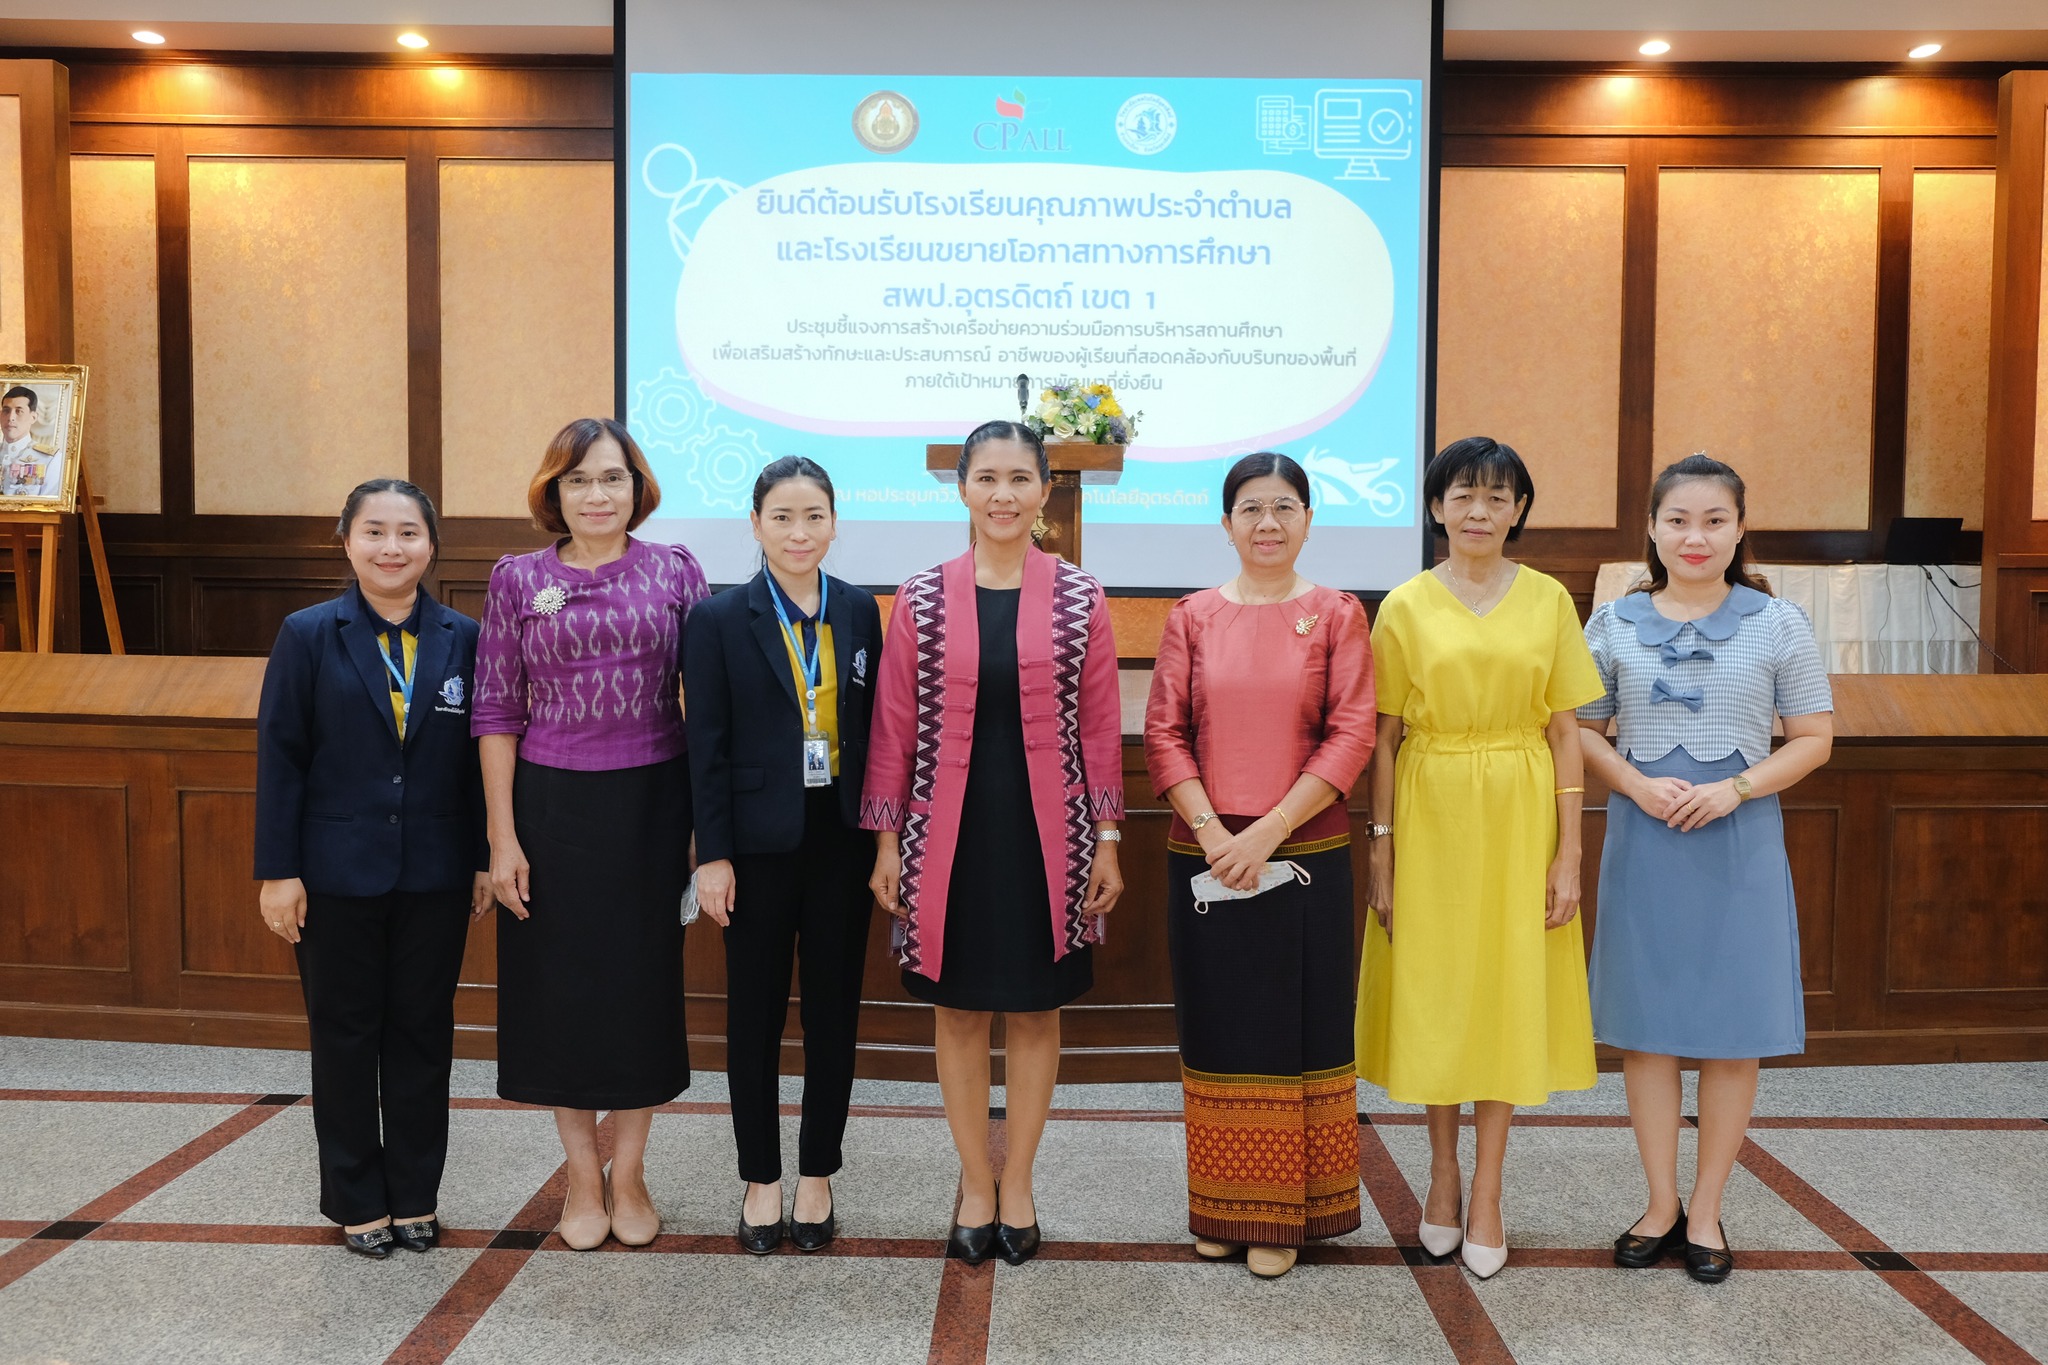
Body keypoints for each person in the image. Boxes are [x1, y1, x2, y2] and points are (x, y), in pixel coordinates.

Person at [862, 420, 1125, 1267]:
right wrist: (886, 842)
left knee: (1037, 1007)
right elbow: (895, 725)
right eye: (987, 478)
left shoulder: (1081, 596)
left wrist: (1111, 839)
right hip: (949, 837)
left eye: (1020, 478)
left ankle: (1021, 1183)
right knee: (960, 1007)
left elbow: (1100, 726)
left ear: (1045, 489)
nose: (1003, 494)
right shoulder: (923, 596)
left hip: (1056, 835)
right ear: (963, 489)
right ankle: (976, 1180)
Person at [1355, 436, 1606, 1280]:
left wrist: (1569, 851)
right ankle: (1442, 1172)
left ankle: (1491, 1187)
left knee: (1504, 990)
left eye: (1498, 498)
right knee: (1439, 989)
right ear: (1434, 506)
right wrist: (1381, 847)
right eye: (1463, 495)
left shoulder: (1548, 601)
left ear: (1520, 511)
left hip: (1520, 808)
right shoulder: (1404, 604)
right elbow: (1384, 738)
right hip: (1430, 804)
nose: (1479, 512)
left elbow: (1567, 731)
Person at [1579, 454, 1833, 1285]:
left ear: (1738, 528)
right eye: (1679, 520)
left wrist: (1736, 788)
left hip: (1741, 841)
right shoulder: (1611, 622)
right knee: (1647, 1034)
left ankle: (1711, 1206)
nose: (1696, 536)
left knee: (1731, 1036)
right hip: (1642, 837)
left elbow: (1813, 736)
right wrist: (1637, 785)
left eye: (1714, 520)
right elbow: (1578, 730)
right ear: (1651, 529)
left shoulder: (1779, 622)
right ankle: (1659, 1204)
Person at [472, 417, 709, 1251]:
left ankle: (634, 1168)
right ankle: (581, 1172)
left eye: (611, 477)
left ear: (636, 486)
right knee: (559, 993)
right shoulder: (516, 579)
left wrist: (703, 830)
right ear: (554, 491)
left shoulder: (676, 572)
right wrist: (501, 837)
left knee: (642, 988)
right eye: (578, 480)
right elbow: (495, 709)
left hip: (653, 803)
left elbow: (706, 708)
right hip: (550, 806)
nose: (597, 494)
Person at [1144, 452, 1377, 1279]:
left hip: (1304, 851)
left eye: (1284, 506)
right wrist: (1214, 833)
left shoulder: (1340, 614)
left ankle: (1286, 1214)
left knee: (1292, 1030)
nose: (1268, 522)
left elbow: (1351, 734)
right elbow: (1163, 734)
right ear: (1226, 523)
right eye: (1251, 508)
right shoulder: (1193, 617)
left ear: (1309, 519)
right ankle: (1221, 1204)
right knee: (1217, 1026)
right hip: (1204, 853)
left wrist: (1267, 831)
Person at [254, 478, 492, 1258]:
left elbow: (480, 762)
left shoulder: (466, 635)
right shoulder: (308, 633)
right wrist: (278, 870)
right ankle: (357, 1198)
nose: (392, 548)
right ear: (346, 539)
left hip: (436, 873)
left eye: (409, 533)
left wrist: (487, 858)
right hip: (333, 874)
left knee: (423, 1035)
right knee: (345, 1037)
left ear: (431, 543)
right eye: (375, 532)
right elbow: (281, 758)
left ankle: (416, 1194)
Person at [684, 457, 884, 1255]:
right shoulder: (719, 619)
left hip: (840, 838)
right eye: (782, 517)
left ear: (834, 522)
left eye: (814, 516)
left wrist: (884, 841)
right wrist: (713, 855)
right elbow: (706, 747)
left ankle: (818, 1173)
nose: (799, 533)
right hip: (755, 848)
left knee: (834, 1013)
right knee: (755, 1016)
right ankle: (761, 1177)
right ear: (756, 524)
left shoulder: (862, 612)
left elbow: (877, 737)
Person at [1, 385, 62, 498]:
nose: (11, 418)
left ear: (33, 417)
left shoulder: (50, 458)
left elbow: (50, 508)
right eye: (6, 411)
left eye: (19, 411)